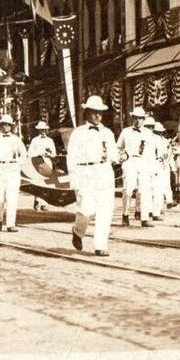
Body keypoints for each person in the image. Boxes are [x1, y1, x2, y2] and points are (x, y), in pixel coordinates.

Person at [68, 95, 120, 257]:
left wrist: (119, 156)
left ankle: (100, 246)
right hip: (85, 173)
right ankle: (78, 231)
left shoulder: (108, 133)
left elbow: (114, 154)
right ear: (87, 113)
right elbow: (71, 157)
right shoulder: (78, 133)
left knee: (105, 209)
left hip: (104, 172)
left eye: (100, 113)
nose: (98, 116)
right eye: (94, 112)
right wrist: (74, 180)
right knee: (85, 210)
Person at [0, 114, 28, 233]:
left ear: (11, 126)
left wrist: (18, 165)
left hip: (12, 169)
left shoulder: (16, 139)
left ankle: (11, 224)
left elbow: (24, 154)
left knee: (12, 197)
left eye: (8, 125)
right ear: (0, 126)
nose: (6, 127)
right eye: (4, 124)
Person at [116, 107, 153, 227]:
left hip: (143, 162)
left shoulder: (148, 133)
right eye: (136, 118)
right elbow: (119, 147)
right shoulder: (126, 132)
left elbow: (151, 151)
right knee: (127, 190)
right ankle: (125, 215)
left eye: (140, 118)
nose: (138, 121)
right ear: (133, 119)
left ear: (144, 120)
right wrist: (122, 155)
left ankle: (144, 217)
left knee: (144, 190)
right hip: (130, 161)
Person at [27, 121, 56, 211]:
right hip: (38, 162)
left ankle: (44, 203)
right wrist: (40, 153)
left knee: (47, 182)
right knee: (38, 182)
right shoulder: (35, 140)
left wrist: (49, 153)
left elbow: (54, 154)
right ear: (38, 130)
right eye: (41, 130)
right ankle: (37, 200)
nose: (43, 131)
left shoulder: (50, 140)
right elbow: (30, 153)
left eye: (45, 129)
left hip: (47, 162)